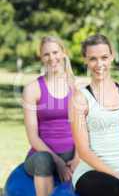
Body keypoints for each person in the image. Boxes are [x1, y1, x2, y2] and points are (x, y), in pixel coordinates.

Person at [69, 34, 119, 196]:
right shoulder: (80, 98)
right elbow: (83, 151)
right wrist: (118, 177)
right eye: (93, 59)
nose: (99, 64)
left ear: (112, 57)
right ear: (85, 60)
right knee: (117, 189)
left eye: (104, 57)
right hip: (92, 171)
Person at [22, 36, 78, 196]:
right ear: (41, 57)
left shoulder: (75, 87)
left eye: (55, 52)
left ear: (63, 53)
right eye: (46, 54)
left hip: (72, 153)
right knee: (43, 160)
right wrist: (58, 162)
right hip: (41, 155)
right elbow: (33, 137)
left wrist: (77, 159)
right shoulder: (32, 89)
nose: (52, 58)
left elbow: (83, 128)